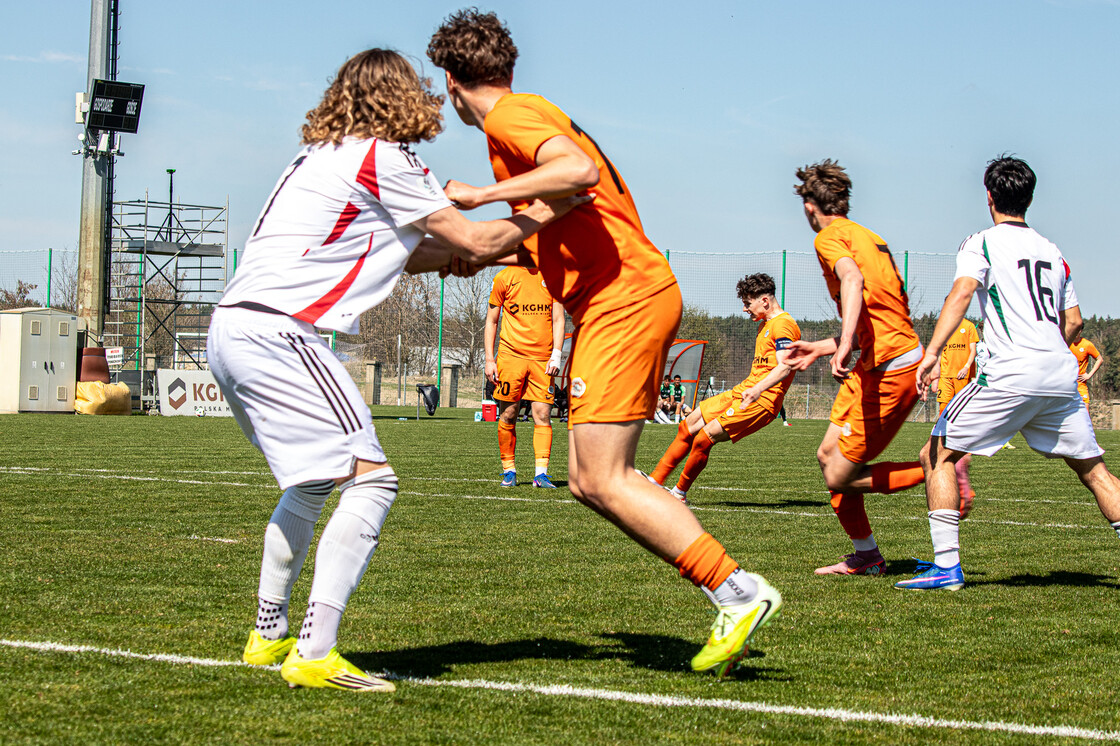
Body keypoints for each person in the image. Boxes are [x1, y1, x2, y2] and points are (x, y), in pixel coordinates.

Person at [208, 49, 586, 692]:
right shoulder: (386, 157)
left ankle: (267, 637)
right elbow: (474, 240)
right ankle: (316, 651)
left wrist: (461, 255)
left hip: (233, 328)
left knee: (310, 484)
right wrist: (556, 209)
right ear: (404, 96)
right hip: (282, 331)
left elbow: (415, 251)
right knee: (373, 481)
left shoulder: (318, 157)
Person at [427, 9, 781, 676]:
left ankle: (738, 591)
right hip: (622, 297)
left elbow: (578, 170)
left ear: (450, 80)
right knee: (594, 479)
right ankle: (731, 593)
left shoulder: (511, 120)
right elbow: (537, 216)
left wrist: (479, 195)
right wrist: (454, 246)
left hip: (624, 298)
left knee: (599, 476)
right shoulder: (527, 126)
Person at [898, 156, 1120, 591]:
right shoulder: (1053, 251)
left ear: (989, 196)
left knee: (935, 455)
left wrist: (932, 353)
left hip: (1009, 373)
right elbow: (1073, 321)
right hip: (1059, 374)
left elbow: (963, 292)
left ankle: (947, 569)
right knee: (1096, 473)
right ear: (1030, 198)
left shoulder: (979, 242)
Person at [785, 160, 926, 577]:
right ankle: (867, 556)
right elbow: (881, 313)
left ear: (811, 206)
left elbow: (852, 281)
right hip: (876, 361)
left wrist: (844, 343)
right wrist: (824, 345)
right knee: (827, 456)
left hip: (891, 368)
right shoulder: (869, 236)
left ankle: (938, 466)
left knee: (842, 475)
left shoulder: (830, 239)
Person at [650, 273, 800, 503]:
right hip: (744, 391)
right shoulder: (766, 325)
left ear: (765, 301)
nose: (744, 309)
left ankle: (678, 494)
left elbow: (786, 367)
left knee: (703, 438)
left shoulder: (784, 325)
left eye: (747, 303)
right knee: (688, 425)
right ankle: (653, 483)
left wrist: (758, 389)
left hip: (762, 401)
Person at [485, 265, 564, 487]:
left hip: (543, 360)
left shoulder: (553, 275)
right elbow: (491, 320)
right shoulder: (504, 277)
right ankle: (509, 471)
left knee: (543, 414)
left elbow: (558, 319)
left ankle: (541, 475)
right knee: (509, 414)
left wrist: (556, 355)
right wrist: (490, 359)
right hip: (511, 357)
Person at [929, 317, 980, 515]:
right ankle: (947, 447)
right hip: (946, 377)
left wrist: (967, 366)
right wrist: (936, 373)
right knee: (943, 414)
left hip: (962, 375)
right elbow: (941, 352)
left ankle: (963, 450)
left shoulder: (968, 327)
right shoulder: (945, 325)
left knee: (963, 414)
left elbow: (973, 350)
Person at [1070, 336, 1105, 409]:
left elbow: (1099, 359)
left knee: (1085, 414)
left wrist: (1089, 375)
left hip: (1080, 384)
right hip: (1066, 385)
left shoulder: (1087, 344)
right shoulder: (1065, 343)